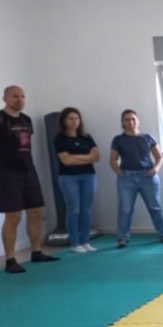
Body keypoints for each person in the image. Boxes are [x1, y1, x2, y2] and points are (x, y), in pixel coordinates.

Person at [0, 85, 59, 273]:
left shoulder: (26, 120)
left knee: (36, 211)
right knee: (13, 216)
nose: (19, 99)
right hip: (6, 174)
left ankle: (36, 251)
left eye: (22, 96)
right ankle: (10, 260)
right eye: (15, 96)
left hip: (28, 171)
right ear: (5, 98)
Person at [109, 109, 163, 248]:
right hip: (127, 178)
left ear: (137, 120)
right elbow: (113, 159)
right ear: (122, 122)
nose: (131, 122)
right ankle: (122, 238)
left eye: (133, 119)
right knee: (125, 209)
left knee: (155, 207)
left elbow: (159, 157)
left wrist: (155, 169)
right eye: (127, 120)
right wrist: (119, 172)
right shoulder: (118, 140)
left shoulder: (147, 137)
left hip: (147, 177)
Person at [54, 106, 99, 253]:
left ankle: (85, 241)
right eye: (71, 119)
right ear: (64, 121)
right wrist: (86, 158)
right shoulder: (59, 139)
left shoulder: (87, 137)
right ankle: (75, 243)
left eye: (77, 118)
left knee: (86, 210)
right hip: (68, 177)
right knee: (74, 209)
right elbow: (66, 161)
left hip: (88, 176)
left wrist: (75, 157)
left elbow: (96, 157)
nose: (74, 121)